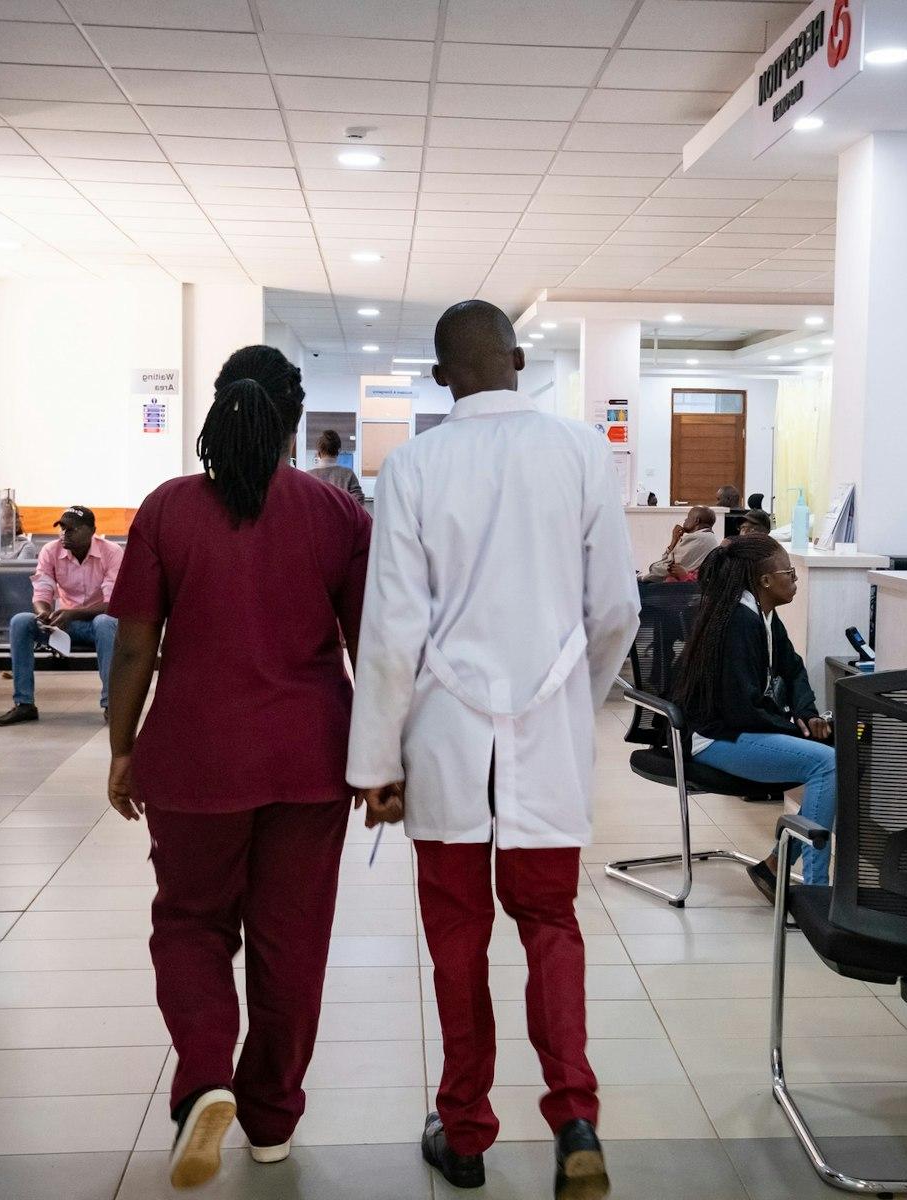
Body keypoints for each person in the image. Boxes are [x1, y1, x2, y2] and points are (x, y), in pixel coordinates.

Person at [348, 300, 639, 1200]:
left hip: (444, 743)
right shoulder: (584, 452)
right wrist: (571, 703)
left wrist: (377, 763)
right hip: (545, 740)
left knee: (456, 939)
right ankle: (576, 1117)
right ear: (518, 359)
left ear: (442, 378)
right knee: (552, 926)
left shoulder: (415, 466)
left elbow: (393, 629)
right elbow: (616, 611)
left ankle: (466, 1130)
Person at [103, 345, 371, 1190]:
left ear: (218, 406)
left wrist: (120, 747)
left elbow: (138, 642)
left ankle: (205, 1080)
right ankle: (270, 1123)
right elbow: (373, 648)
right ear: (296, 421)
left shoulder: (168, 510)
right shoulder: (336, 516)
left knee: (191, 923)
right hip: (312, 759)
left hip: (195, 758)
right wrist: (383, 758)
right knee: (293, 943)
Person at [673, 535, 835, 901]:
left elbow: (792, 669)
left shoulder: (763, 614)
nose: (795, 580)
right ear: (765, 581)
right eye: (789, 573)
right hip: (716, 738)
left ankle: (776, 866)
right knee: (828, 764)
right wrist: (793, 726)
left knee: (834, 757)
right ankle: (816, 893)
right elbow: (740, 709)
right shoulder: (737, 621)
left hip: (742, 728)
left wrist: (806, 714)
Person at [0, 505, 122, 726]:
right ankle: (24, 704)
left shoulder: (111, 552)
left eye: (72, 529)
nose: (64, 533)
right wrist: (44, 613)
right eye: (62, 528)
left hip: (96, 624)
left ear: (91, 531)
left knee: (106, 622)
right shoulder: (50, 551)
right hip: (64, 625)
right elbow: (42, 590)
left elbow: (112, 603)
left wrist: (72, 614)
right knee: (21, 621)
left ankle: (112, 705)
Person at [639, 505, 718, 582]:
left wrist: (653, 567)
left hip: (682, 587)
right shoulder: (708, 537)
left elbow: (671, 568)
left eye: (688, 517)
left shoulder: (698, 538)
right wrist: (674, 541)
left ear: (696, 521)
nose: (685, 520)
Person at [306, 428, 366, 503]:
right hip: (343, 514)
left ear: (318, 453)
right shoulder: (348, 474)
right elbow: (359, 503)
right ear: (339, 451)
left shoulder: (308, 476)